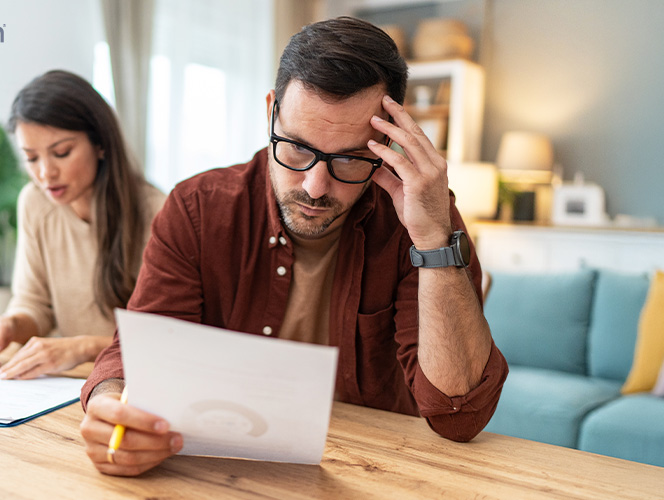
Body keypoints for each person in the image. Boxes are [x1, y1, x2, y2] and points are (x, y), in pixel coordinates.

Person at [79, 17, 507, 476]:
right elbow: (139, 352)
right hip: (226, 471)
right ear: (271, 112)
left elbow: (458, 414)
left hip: (378, 474)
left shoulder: (422, 217)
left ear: (386, 143)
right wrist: (109, 407)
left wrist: (431, 240)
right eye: (297, 148)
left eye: (348, 158)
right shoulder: (198, 209)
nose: (315, 186)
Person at [0, 70, 166, 380]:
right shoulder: (34, 201)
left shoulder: (158, 212)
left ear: (100, 143)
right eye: (31, 158)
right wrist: (12, 325)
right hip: (66, 382)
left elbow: (165, 338)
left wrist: (81, 347)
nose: (45, 173)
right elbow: (35, 304)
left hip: (132, 383)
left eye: (61, 153)